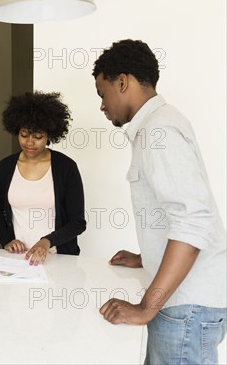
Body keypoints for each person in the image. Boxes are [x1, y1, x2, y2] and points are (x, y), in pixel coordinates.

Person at [94, 39, 227, 364]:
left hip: (186, 307)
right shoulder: (158, 125)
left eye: (102, 93)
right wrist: (147, 256)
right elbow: (180, 211)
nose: (101, 105)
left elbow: (194, 222)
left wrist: (145, 307)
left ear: (122, 82)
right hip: (186, 303)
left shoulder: (160, 131)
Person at [0, 91, 86, 265]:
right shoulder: (5, 167)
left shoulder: (66, 168)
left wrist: (47, 241)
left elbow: (77, 222)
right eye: (24, 135)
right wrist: (7, 240)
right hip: (18, 259)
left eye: (38, 137)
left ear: (49, 135)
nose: (30, 143)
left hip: (58, 258)